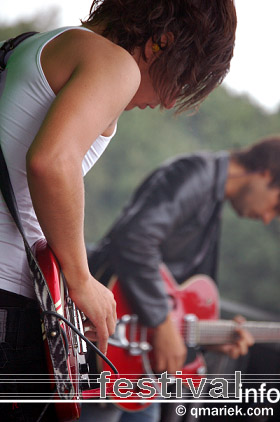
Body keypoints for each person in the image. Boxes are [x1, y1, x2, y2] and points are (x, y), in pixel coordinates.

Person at [0, 0, 237, 420]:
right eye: (181, 80)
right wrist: (82, 281)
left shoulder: (31, 46)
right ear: (160, 44)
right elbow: (52, 162)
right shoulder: (115, 63)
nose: (168, 101)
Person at [82, 136, 280, 421]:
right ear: (266, 173)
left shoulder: (213, 199)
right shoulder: (196, 174)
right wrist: (162, 324)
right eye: (276, 205)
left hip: (142, 366)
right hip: (110, 350)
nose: (266, 218)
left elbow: (174, 289)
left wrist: (206, 335)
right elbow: (135, 239)